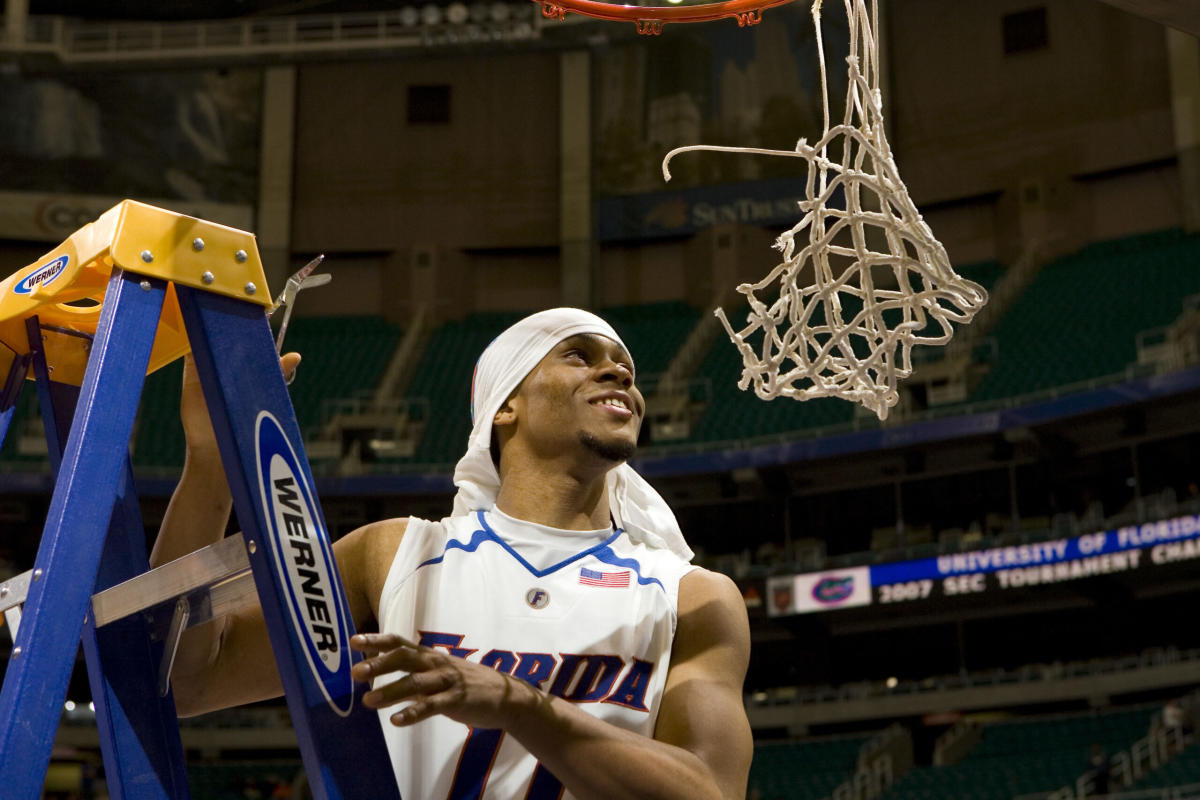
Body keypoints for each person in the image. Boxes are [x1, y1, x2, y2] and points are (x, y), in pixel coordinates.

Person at [151, 308, 754, 800]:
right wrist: (209, 464)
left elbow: (712, 791)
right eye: (580, 355)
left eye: (625, 366)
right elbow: (186, 681)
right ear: (505, 404)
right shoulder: (394, 554)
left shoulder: (692, 595)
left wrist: (522, 707)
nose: (619, 373)